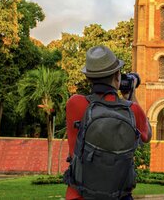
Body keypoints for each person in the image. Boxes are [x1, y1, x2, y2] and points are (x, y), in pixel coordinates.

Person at [65, 45, 152, 200]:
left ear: (88, 77)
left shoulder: (75, 104)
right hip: (119, 196)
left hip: (80, 194)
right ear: (117, 76)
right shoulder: (132, 109)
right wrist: (130, 95)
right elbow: (148, 135)